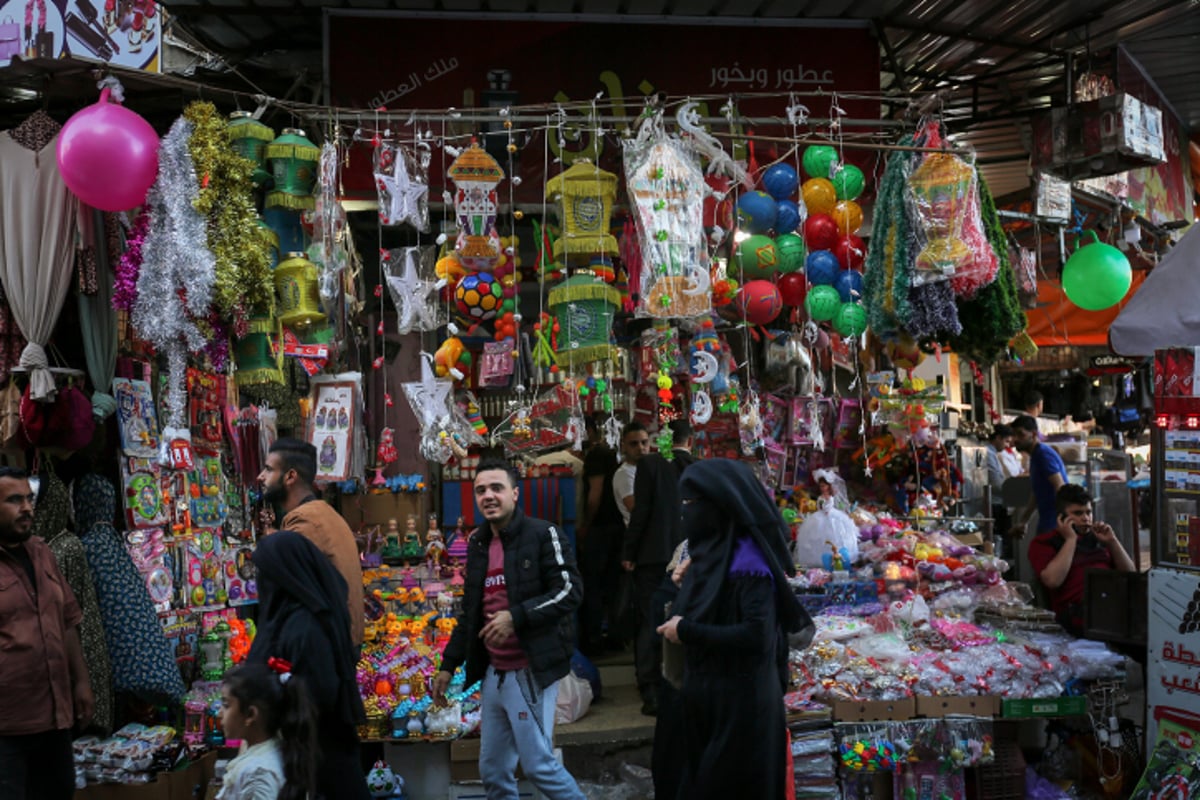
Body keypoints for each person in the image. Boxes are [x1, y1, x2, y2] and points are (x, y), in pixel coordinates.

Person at [656, 459, 811, 800]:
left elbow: (755, 636)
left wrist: (687, 630)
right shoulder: (712, 551)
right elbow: (714, 604)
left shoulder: (750, 563)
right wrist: (690, 583)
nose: (685, 513)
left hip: (744, 710)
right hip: (711, 701)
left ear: (718, 506)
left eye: (691, 505)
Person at [432, 459, 585, 800]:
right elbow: (470, 613)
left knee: (538, 766)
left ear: (515, 493)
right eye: (482, 490)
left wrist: (517, 616)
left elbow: (570, 591)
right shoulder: (478, 545)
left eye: (497, 488)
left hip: (529, 668)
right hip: (494, 673)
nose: (489, 495)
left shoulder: (543, 534)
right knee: (493, 770)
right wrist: (448, 664)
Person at [247, 530, 370, 800]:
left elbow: (318, 694)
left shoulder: (305, 628)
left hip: (321, 765)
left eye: (263, 572)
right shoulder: (290, 620)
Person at [0, 467, 94, 800]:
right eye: (14, 500)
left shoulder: (42, 552)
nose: (27, 507)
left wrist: (81, 680)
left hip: (55, 718)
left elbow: (66, 618)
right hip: (8, 726)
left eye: (29, 498)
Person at [258, 437, 364, 649]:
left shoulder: (306, 520)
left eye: (269, 470)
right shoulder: (322, 513)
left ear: (290, 476)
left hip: (327, 650)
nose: (260, 477)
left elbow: (288, 589)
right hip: (338, 645)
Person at [622, 418, 695, 716]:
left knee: (651, 621)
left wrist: (629, 551)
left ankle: (650, 690)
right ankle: (683, 687)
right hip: (690, 559)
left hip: (654, 557)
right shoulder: (699, 466)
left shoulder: (650, 466)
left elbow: (641, 512)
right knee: (685, 618)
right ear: (689, 441)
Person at [1027, 484, 1136, 636]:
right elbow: (1052, 580)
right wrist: (1071, 539)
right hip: (1077, 615)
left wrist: (1113, 542)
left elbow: (1131, 574)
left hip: (1114, 606)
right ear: (1061, 517)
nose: (1085, 518)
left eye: (1089, 512)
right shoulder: (1044, 543)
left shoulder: (1099, 539)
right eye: (1078, 513)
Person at [217, 661, 317, 800]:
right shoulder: (269, 754)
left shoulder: (259, 773)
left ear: (251, 714)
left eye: (226, 705)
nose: (219, 713)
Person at [577, 415, 624, 656]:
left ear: (591, 431)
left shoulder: (596, 456)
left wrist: (585, 525)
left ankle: (594, 640)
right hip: (616, 527)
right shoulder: (609, 454)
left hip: (602, 527)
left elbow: (595, 494)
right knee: (612, 585)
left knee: (593, 585)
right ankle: (615, 638)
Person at [1010, 415, 1067, 538]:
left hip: (1054, 524)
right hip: (1047, 521)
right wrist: (1024, 521)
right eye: (1014, 435)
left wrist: (1061, 522)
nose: (1016, 439)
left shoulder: (1043, 454)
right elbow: (1037, 493)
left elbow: (1060, 486)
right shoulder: (1035, 456)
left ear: (1034, 434)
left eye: (1021, 434)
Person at [612, 421, 649, 529]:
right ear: (623, 447)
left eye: (644, 442)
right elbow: (636, 510)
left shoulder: (648, 469)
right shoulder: (624, 474)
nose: (640, 447)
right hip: (641, 536)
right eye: (634, 444)